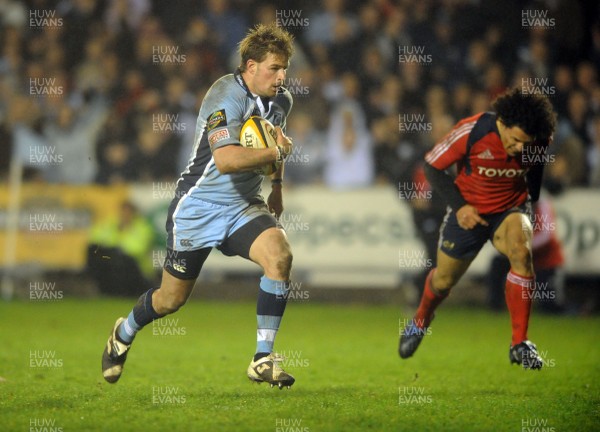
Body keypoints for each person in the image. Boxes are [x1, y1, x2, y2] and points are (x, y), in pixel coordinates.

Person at [101, 24, 297, 388]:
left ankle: (262, 357)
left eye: (285, 68)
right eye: (275, 68)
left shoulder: (282, 100)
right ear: (250, 66)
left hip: (243, 204)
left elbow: (272, 141)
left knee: (280, 256)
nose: (282, 76)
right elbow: (225, 160)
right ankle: (123, 332)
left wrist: (278, 185)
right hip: (199, 206)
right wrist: (277, 151)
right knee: (170, 300)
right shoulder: (224, 95)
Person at [398, 88, 556, 370]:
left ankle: (520, 343)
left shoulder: (537, 139)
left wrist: (529, 201)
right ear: (503, 124)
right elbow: (432, 167)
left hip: (509, 210)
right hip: (469, 213)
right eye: (516, 140)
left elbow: (535, 171)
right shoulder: (471, 131)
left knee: (521, 252)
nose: (521, 148)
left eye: (526, 143)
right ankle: (420, 320)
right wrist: (460, 207)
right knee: (444, 281)